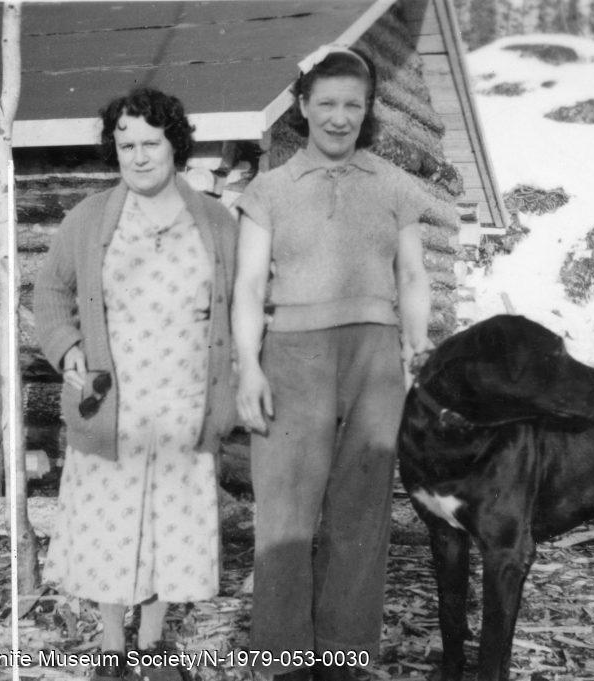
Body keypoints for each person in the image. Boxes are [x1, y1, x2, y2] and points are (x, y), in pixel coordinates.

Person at [232, 47, 432, 681]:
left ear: (368, 110)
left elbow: (414, 274)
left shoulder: (395, 185)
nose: (340, 117)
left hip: (374, 361)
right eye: (327, 104)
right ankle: (286, 660)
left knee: (361, 513)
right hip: (291, 356)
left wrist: (414, 348)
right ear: (302, 106)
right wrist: (247, 367)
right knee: (285, 516)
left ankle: (343, 657)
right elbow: (245, 287)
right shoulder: (269, 190)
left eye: (353, 104)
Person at [34, 87, 237, 681]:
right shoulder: (90, 217)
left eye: (151, 142)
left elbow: (244, 302)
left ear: (176, 144)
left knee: (169, 528)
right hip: (111, 405)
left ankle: (152, 649)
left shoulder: (214, 220)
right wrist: (67, 346)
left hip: (184, 403)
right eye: (126, 145)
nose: (140, 156)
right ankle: (113, 647)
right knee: (109, 524)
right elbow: (50, 292)